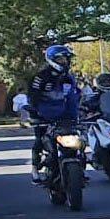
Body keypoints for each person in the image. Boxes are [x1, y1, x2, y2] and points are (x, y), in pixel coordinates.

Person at [27, 45, 80, 183]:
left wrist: (78, 115)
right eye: (61, 59)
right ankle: (35, 168)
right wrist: (35, 114)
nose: (65, 62)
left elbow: (73, 98)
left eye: (66, 59)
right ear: (52, 60)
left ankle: (79, 168)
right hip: (44, 117)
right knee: (40, 139)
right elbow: (33, 97)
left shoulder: (69, 79)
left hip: (64, 117)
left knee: (77, 142)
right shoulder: (41, 77)